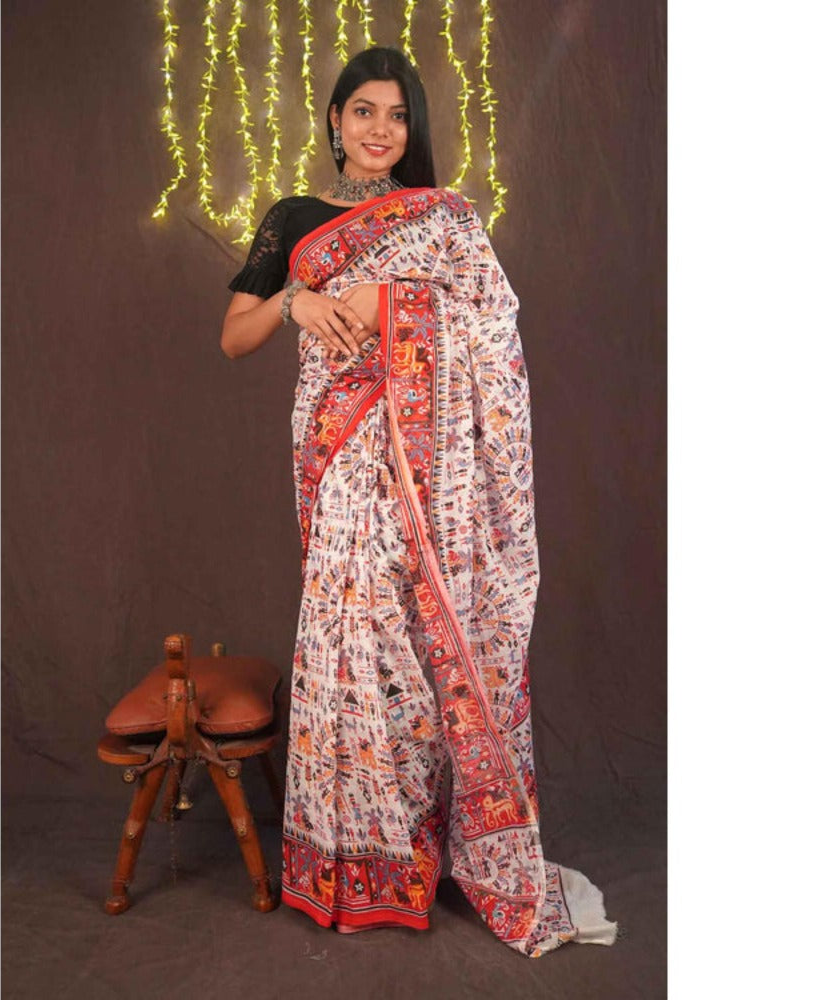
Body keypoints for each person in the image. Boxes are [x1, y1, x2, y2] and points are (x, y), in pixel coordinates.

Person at [220, 46, 617, 957]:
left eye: (397, 116)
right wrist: (294, 302)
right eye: (363, 111)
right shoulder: (293, 218)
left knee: (414, 651)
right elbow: (234, 336)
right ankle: (350, 854)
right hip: (341, 458)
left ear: (413, 129)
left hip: (431, 473)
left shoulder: (441, 221)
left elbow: (489, 325)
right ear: (335, 120)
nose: (380, 130)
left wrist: (391, 300)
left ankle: (417, 850)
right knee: (348, 638)